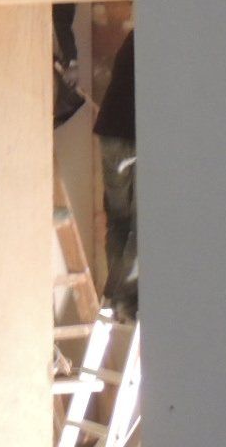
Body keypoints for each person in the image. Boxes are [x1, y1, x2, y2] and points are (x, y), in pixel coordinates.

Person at [92, 31, 137, 322]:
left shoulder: (135, 37)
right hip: (136, 134)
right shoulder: (171, 38)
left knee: (119, 219)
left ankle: (116, 296)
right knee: (142, 223)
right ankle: (128, 302)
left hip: (112, 133)